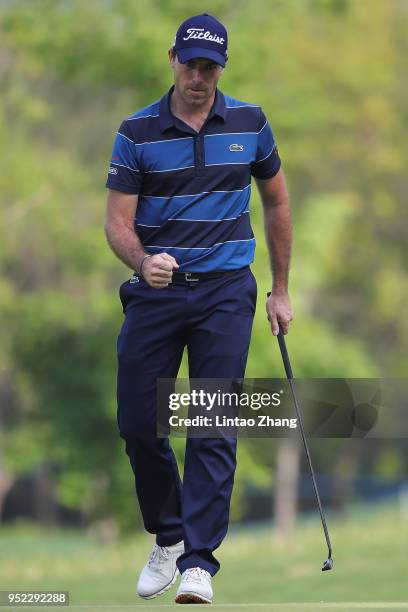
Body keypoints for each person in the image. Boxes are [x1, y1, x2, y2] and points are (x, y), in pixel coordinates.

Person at [104, 12, 293, 605]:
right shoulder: (136, 133)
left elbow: (277, 203)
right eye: (191, 64)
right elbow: (116, 223)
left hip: (226, 291)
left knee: (213, 423)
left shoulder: (250, 123)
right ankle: (168, 534)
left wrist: (281, 289)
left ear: (221, 69)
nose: (199, 76)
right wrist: (142, 263)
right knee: (139, 424)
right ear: (173, 59)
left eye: (210, 66)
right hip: (156, 293)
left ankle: (198, 562)